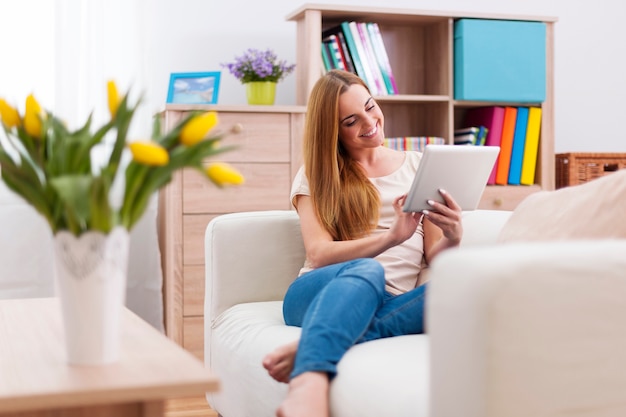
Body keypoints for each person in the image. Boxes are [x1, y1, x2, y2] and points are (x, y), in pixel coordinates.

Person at [262, 69, 463, 417]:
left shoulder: (420, 166)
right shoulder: (318, 172)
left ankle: (317, 343)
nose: (370, 122)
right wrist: (390, 238)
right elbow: (319, 253)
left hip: (390, 303)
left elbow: (434, 256)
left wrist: (454, 235)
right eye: (352, 121)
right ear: (333, 132)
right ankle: (309, 385)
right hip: (321, 291)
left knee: (464, 285)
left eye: (370, 107)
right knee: (367, 271)